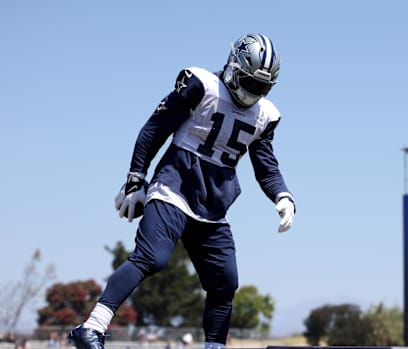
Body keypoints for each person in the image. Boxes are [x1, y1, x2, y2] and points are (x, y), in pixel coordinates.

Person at [66, 33, 296, 349]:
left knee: (225, 282)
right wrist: (136, 177)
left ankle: (214, 346)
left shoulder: (266, 115)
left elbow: (265, 164)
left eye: (261, 87)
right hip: (174, 188)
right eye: (249, 82)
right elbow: (155, 128)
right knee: (152, 257)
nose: (253, 91)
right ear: (233, 66)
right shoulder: (201, 84)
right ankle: (91, 327)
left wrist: (282, 195)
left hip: (213, 207)